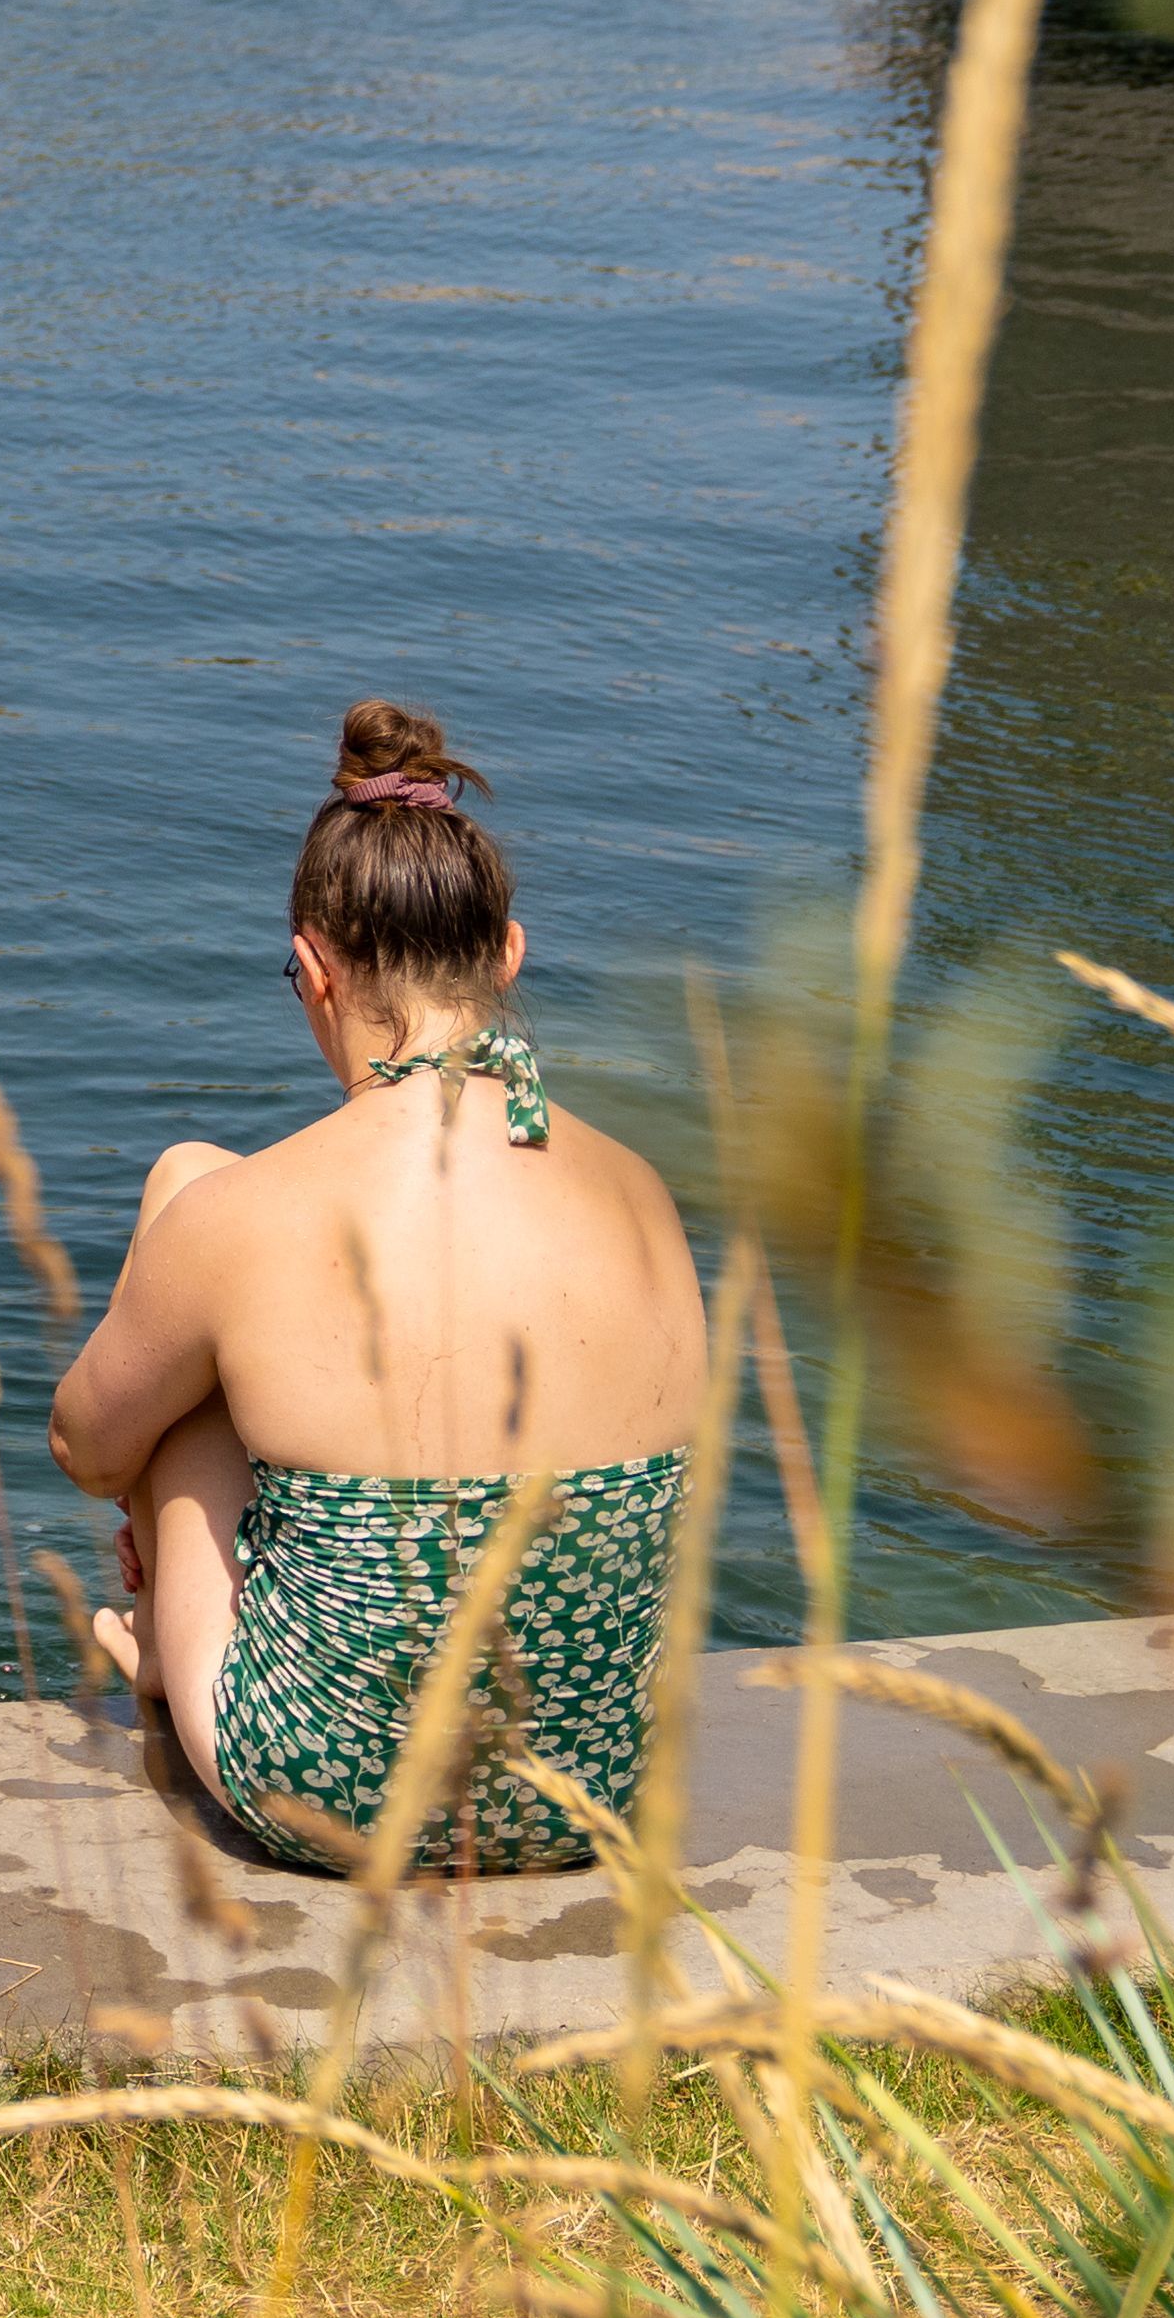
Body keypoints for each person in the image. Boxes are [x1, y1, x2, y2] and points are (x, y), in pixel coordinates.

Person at [48, 702, 710, 1880]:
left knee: (184, 1197)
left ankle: (170, 1653)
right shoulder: (639, 1193)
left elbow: (90, 1449)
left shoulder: (243, 1219)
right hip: (596, 1787)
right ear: (507, 954)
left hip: (332, 1797)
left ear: (308, 969)